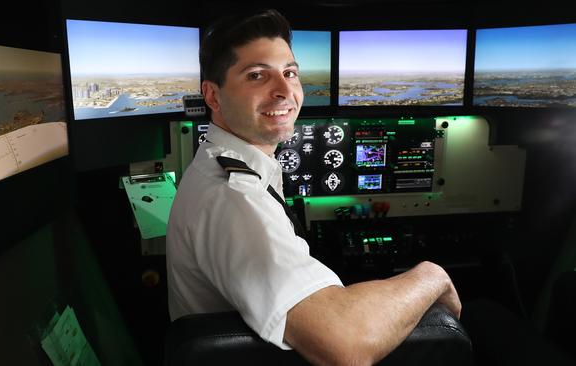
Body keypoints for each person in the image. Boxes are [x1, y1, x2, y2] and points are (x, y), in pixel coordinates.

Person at [166, 9, 462, 365]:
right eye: (257, 75)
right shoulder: (233, 198)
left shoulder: (222, 165)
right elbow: (346, 346)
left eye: (290, 73)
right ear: (213, 97)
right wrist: (432, 275)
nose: (284, 91)